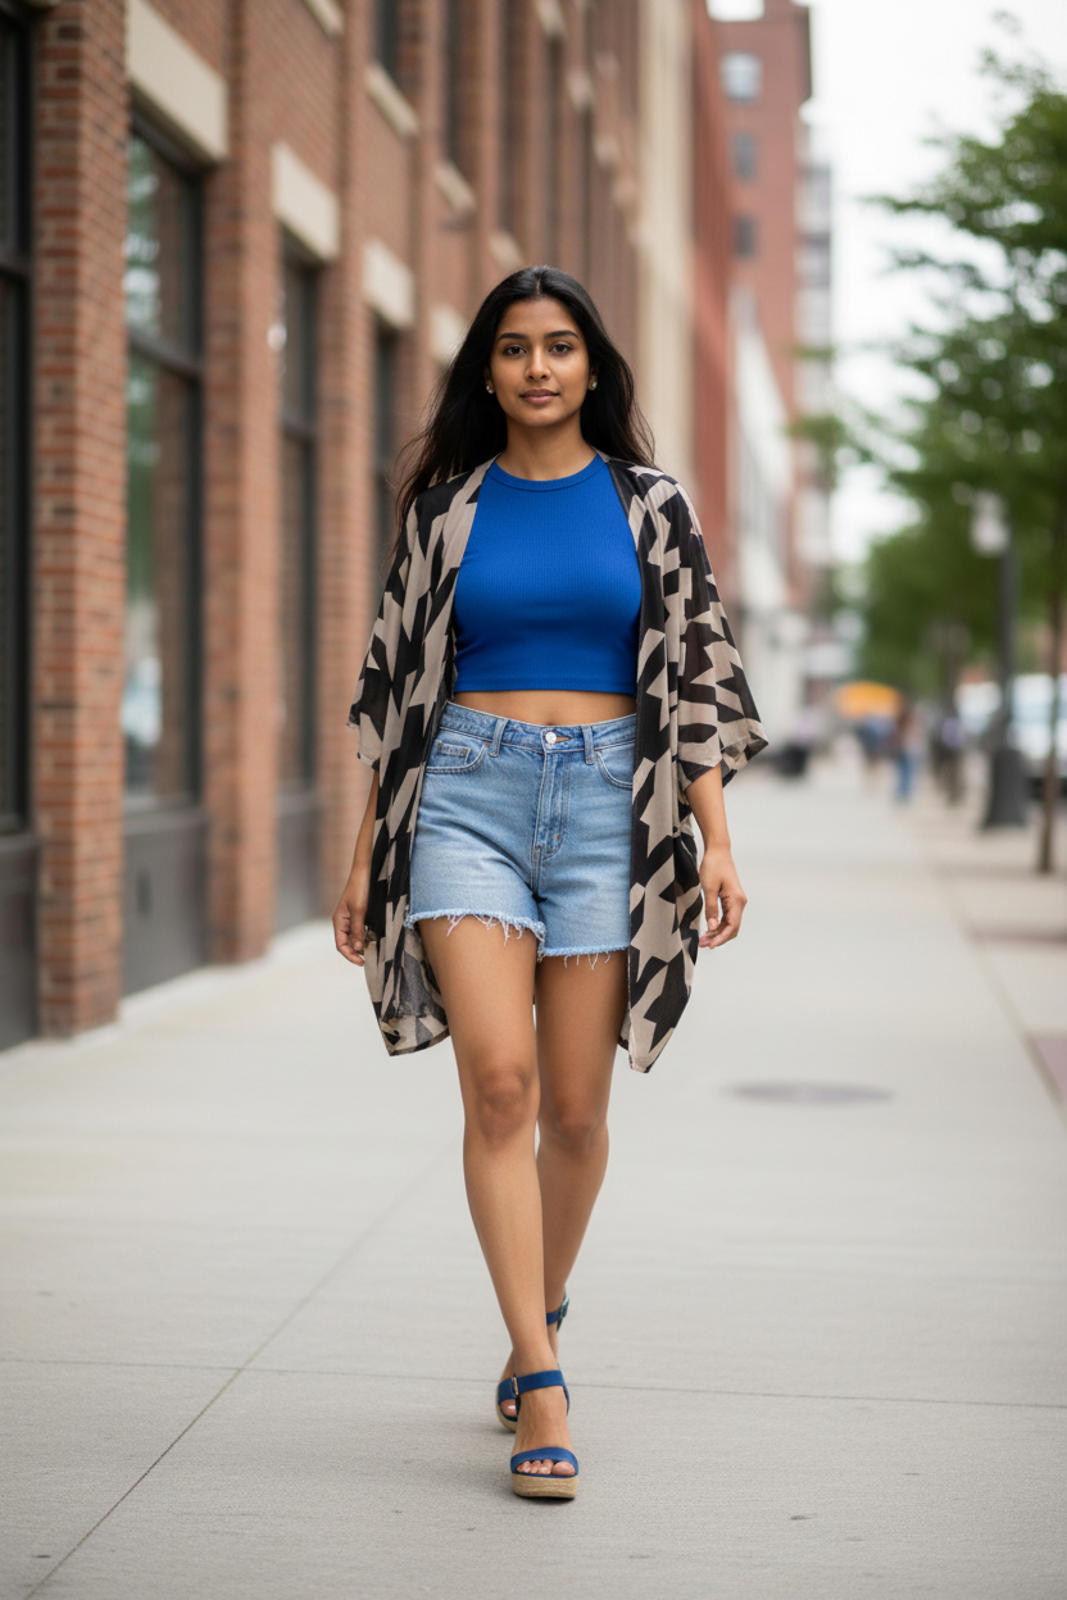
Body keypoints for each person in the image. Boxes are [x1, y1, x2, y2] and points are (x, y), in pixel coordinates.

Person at [332, 266, 767, 1500]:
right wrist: (366, 851)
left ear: (591, 369)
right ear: (487, 369)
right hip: (466, 792)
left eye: (560, 347)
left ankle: (542, 1298)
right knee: (501, 1085)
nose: (536, 367)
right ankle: (541, 1373)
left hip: (607, 812)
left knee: (576, 1111)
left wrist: (715, 837)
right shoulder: (443, 511)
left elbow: (691, 680)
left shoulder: (650, 504)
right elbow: (391, 687)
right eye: (514, 347)